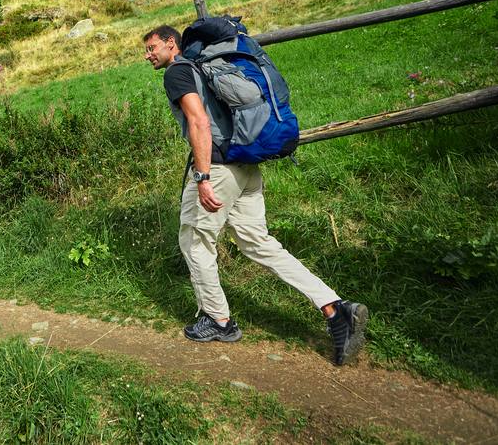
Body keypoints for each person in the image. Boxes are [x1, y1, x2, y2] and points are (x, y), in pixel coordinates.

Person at [143, 24, 368, 365]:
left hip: (217, 168)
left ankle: (219, 320)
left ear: (171, 43)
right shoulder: (206, 68)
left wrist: (203, 176)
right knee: (258, 243)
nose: (148, 55)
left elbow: (199, 123)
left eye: (152, 48)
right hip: (245, 165)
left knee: (195, 241)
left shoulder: (178, 72)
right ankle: (336, 309)